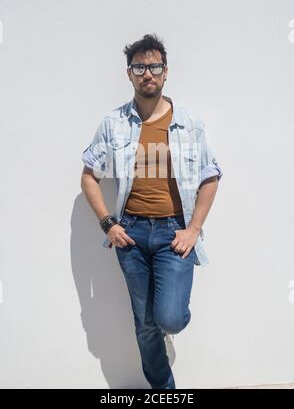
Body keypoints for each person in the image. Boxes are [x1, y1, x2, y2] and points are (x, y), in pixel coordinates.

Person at [81, 33, 223, 389]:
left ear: (165, 72)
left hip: (175, 232)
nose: (148, 73)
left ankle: (168, 325)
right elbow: (88, 176)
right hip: (130, 233)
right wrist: (107, 224)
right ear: (129, 74)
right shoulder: (114, 124)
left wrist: (194, 229)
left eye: (154, 66)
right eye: (140, 67)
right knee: (144, 326)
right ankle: (164, 391)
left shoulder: (190, 124)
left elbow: (211, 175)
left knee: (169, 318)